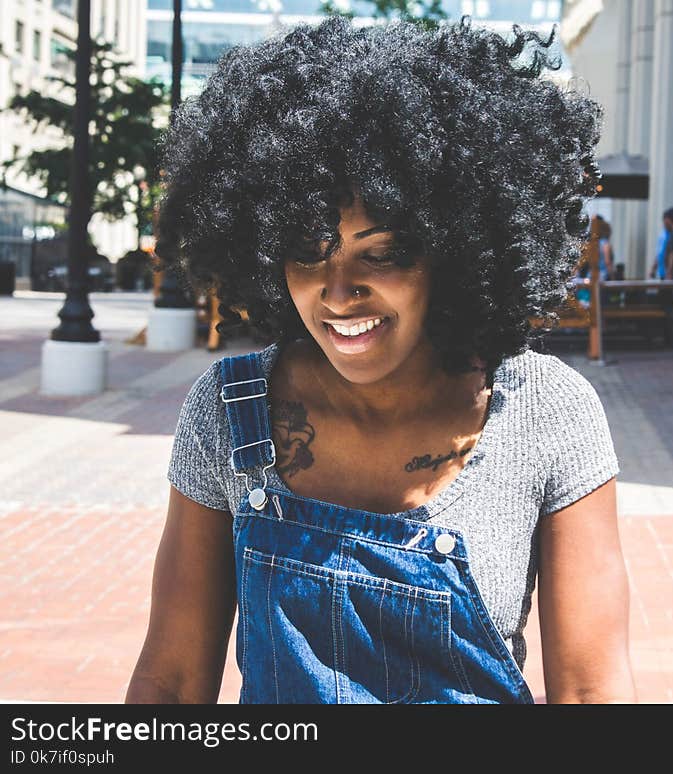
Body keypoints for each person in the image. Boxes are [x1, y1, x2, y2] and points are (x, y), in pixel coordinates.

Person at [126, 16, 634, 705]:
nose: (338, 291)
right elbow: (173, 682)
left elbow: (591, 691)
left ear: (452, 253)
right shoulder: (227, 411)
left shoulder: (548, 412)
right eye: (308, 251)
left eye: (383, 252)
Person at [649, 206, 673, 280]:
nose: (663, 222)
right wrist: (654, 268)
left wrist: (669, 272)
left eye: (665, 219)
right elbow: (659, 253)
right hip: (663, 272)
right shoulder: (665, 234)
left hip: (669, 274)